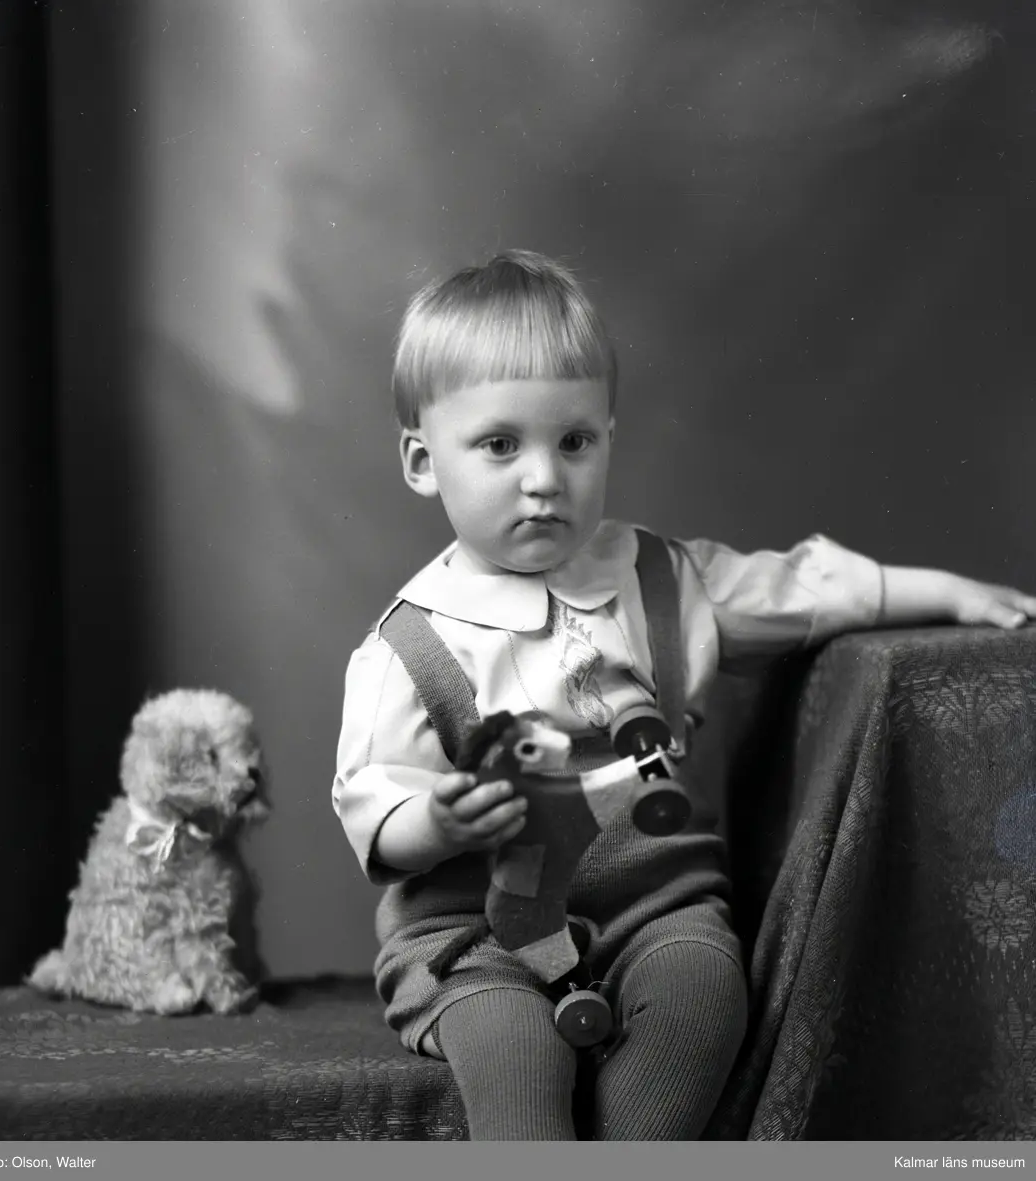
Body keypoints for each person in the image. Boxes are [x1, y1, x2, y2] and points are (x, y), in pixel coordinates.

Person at [331, 249, 1035, 1141]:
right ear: (422, 460)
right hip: (479, 936)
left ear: (607, 437)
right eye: (501, 445)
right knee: (517, 1049)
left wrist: (950, 592)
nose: (544, 478)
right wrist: (438, 821)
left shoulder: (662, 579)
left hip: (652, 908)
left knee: (704, 997)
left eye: (573, 441)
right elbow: (372, 795)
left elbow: (806, 589)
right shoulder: (409, 644)